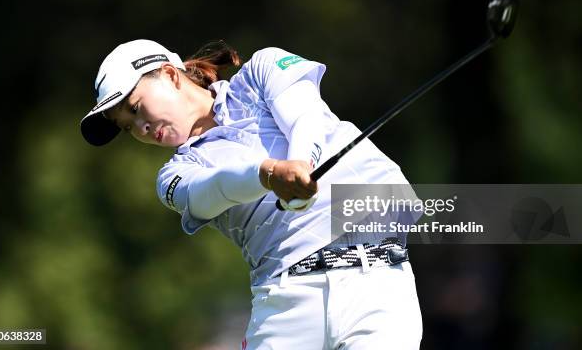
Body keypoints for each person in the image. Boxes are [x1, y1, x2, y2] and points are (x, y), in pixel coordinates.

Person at [80, 39, 423, 349]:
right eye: (127, 126)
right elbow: (211, 191)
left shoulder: (261, 71)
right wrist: (269, 175)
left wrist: (299, 165)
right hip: (286, 306)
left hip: (378, 283)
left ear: (170, 74)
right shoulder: (173, 175)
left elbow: (305, 116)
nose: (140, 127)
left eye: (137, 108)